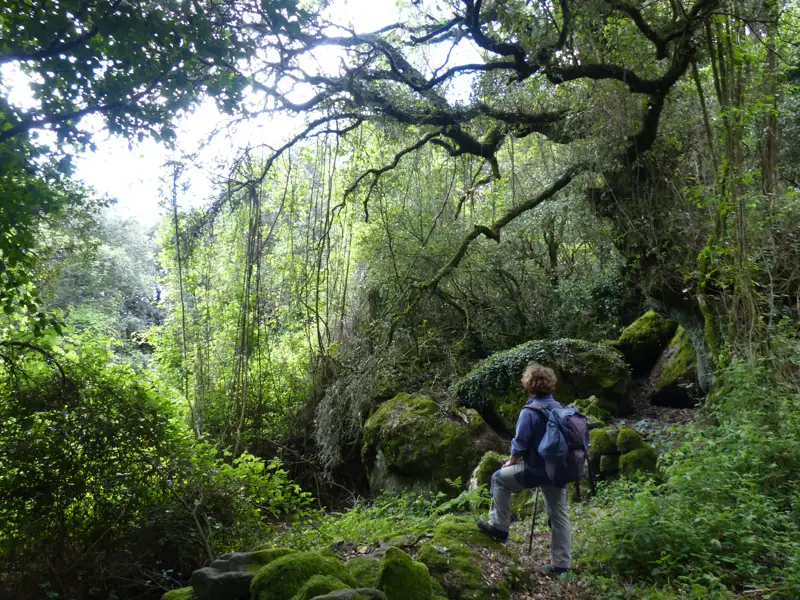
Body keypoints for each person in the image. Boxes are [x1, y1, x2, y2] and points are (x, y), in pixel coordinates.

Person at [476, 361, 572, 576]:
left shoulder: (529, 411)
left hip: (536, 470)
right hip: (559, 470)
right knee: (559, 515)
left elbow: (519, 442)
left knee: (498, 479)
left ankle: (499, 527)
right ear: (550, 384)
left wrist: (511, 460)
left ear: (529, 384)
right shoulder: (560, 409)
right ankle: (562, 565)